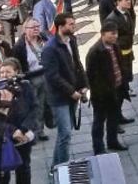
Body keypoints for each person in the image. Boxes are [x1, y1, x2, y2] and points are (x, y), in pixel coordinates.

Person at [41, 12, 89, 171]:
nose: (74, 27)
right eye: (71, 24)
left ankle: (56, 167)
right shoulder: (50, 49)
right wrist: (71, 91)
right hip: (59, 97)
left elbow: (77, 63)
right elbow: (52, 76)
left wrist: (84, 85)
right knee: (65, 133)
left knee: (64, 135)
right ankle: (63, 169)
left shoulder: (72, 40)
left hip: (73, 93)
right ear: (60, 27)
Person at [0, 58, 39, 184]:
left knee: (23, 168)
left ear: (17, 72)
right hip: (5, 136)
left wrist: (23, 128)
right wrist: (12, 131)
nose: (4, 75)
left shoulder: (26, 86)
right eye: (1, 72)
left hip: (23, 135)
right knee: (1, 172)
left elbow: (34, 108)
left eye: (8, 72)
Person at [84, 21, 128, 155]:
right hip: (102, 95)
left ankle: (112, 141)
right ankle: (98, 148)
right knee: (99, 121)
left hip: (116, 89)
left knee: (114, 118)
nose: (115, 36)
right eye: (112, 34)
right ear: (103, 34)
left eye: (116, 33)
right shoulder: (95, 52)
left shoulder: (115, 46)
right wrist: (100, 93)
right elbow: (91, 77)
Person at [11, 17, 50, 142]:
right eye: (33, 27)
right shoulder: (20, 46)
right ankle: (31, 132)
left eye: (38, 27)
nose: (36, 29)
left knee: (41, 105)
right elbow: (16, 65)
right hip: (30, 79)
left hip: (43, 76)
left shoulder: (43, 39)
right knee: (31, 107)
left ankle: (40, 130)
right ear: (25, 29)